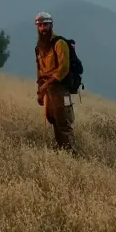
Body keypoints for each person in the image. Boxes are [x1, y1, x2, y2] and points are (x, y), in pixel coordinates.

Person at [34, 11, 76, 152]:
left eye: (45, 24)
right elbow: (40, 71)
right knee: (53, 121)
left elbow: (64, 68)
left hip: (60, 88)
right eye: (40, 25)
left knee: (63, 123)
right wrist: (40, 90)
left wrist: (47, 83)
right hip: (48, 90)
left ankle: (71, 154)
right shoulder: (39, 47)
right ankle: (61, 152)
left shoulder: (60, 43)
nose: (43, 28)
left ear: (51, 25)